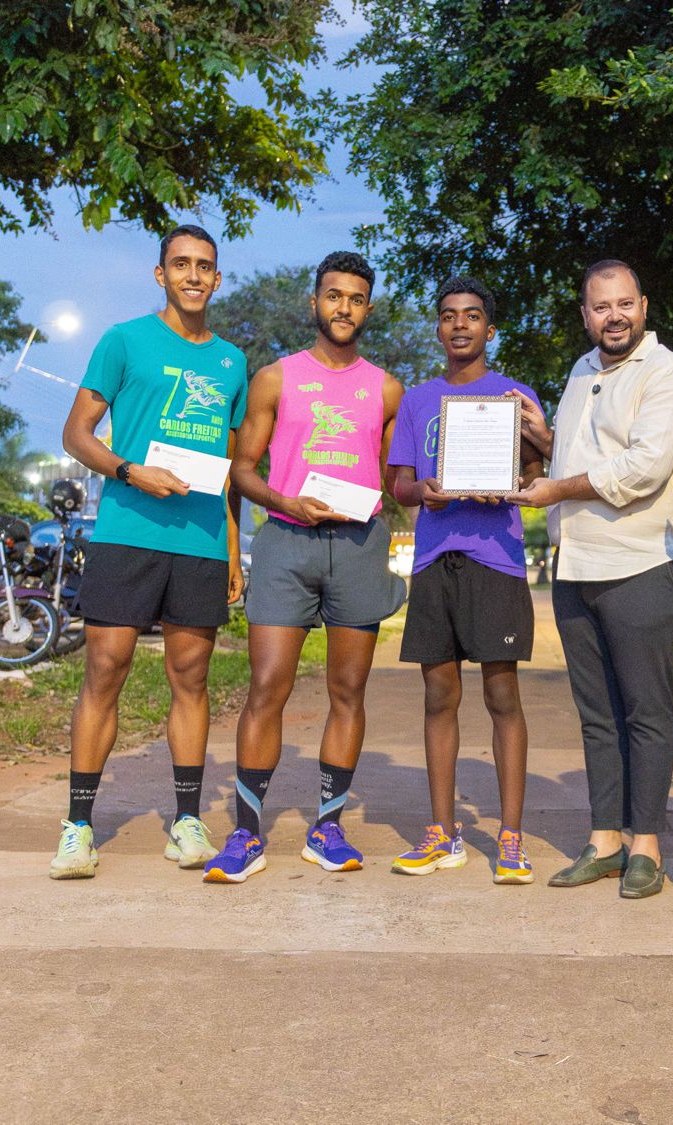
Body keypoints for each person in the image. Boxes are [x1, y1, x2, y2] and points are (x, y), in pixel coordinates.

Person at [50, 224, 247, 880]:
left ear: (218, 279)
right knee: (105, 669)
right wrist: (133, 471)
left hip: (200, 541)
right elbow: (77, 433)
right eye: (181, 264)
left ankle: (186, 821)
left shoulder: (231, 361)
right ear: (160, 273)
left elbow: (226, 464)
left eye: (205, 266)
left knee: (191, 676)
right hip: (127, 531)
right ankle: (77, 827)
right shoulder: (123, 340)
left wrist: (234, 552)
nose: (194, 275)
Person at [202, 251, 406, 883]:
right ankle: (244, 834)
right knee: (268, 688)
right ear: (314, 301)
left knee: (349, 692)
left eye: (355, 298)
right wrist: (284, 501)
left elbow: (394, 477)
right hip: (287, 541)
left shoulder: (387, 388)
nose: (343, 307)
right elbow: (241, 468)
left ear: (368, 308)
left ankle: (328, 827)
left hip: (357, 546)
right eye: (333, 296)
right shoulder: (275, 378)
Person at [506, 260, 673, 899]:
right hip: (579, 564)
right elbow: (582, 453)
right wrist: (540, 433)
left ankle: (645, 846)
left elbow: (642, 469)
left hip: (644, 560)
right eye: (600, 307)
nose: (613, 316)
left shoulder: (666, 373)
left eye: (624, 304)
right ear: (584, 314)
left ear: (643, 306)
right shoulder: (582, 370)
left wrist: (553, 489)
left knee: (645, 709)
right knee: (597, 714)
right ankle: (605, 840)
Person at [385, 276, 545, 884]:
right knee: (439, 696)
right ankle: (441, 833)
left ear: (489, 329)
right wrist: (421, 492)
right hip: (434, 561)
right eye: (449, 316)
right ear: (439, 327)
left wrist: (515, 482)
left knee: (502, 696)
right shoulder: (420, 401)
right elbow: (396, 483)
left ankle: (509, 837)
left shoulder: (515, 396)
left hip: (495, 560)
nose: (459, 325)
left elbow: (535, 477)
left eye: (472, 316)